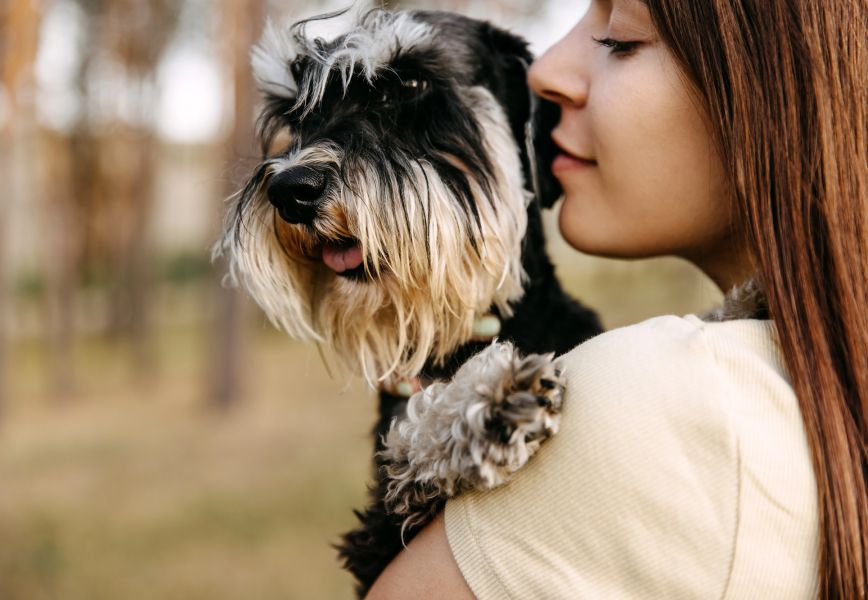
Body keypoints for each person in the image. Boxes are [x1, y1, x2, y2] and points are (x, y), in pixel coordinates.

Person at [365, 0, 867, 598]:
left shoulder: (656, 397)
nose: (545, 68)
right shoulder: (808, 387)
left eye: (619, 39)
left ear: (783, 81)